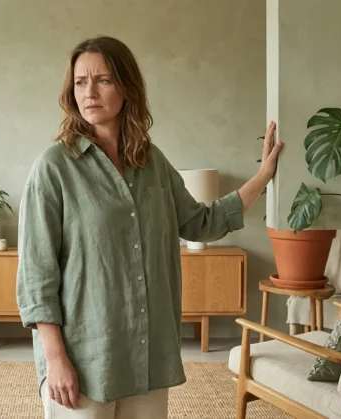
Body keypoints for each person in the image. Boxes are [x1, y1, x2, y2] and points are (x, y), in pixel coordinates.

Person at [16, 35, 282, 419]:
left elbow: (199, 222)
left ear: (127, 87)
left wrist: (262, 177)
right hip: (85, 360)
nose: (88, 92)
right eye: (80, 81)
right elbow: (37, 275)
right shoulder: (54, 166)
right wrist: (55, 360)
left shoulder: (151, 162)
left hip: (146, 358)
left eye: (103, 80)